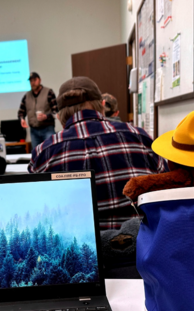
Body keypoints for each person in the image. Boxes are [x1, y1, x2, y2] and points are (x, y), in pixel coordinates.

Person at [28, 76, 166, 230]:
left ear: (60, 116)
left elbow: (35, 213)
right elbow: (169, 190)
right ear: (102, 105)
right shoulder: (140, 137)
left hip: (78, 252)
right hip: (142, 249)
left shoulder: (43, 153)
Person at [17, 72, 58, 149]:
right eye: (31, 81)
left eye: (34, 80)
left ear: (40, 80)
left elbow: (56, 111)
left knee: (51, 151)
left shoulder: (49, 92)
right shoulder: (26, 96)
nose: (33, 83)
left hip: (47, 129)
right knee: (36, 155)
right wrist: (21, 119)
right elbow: (21, 112)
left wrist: (46, 116)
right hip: (34, 131)